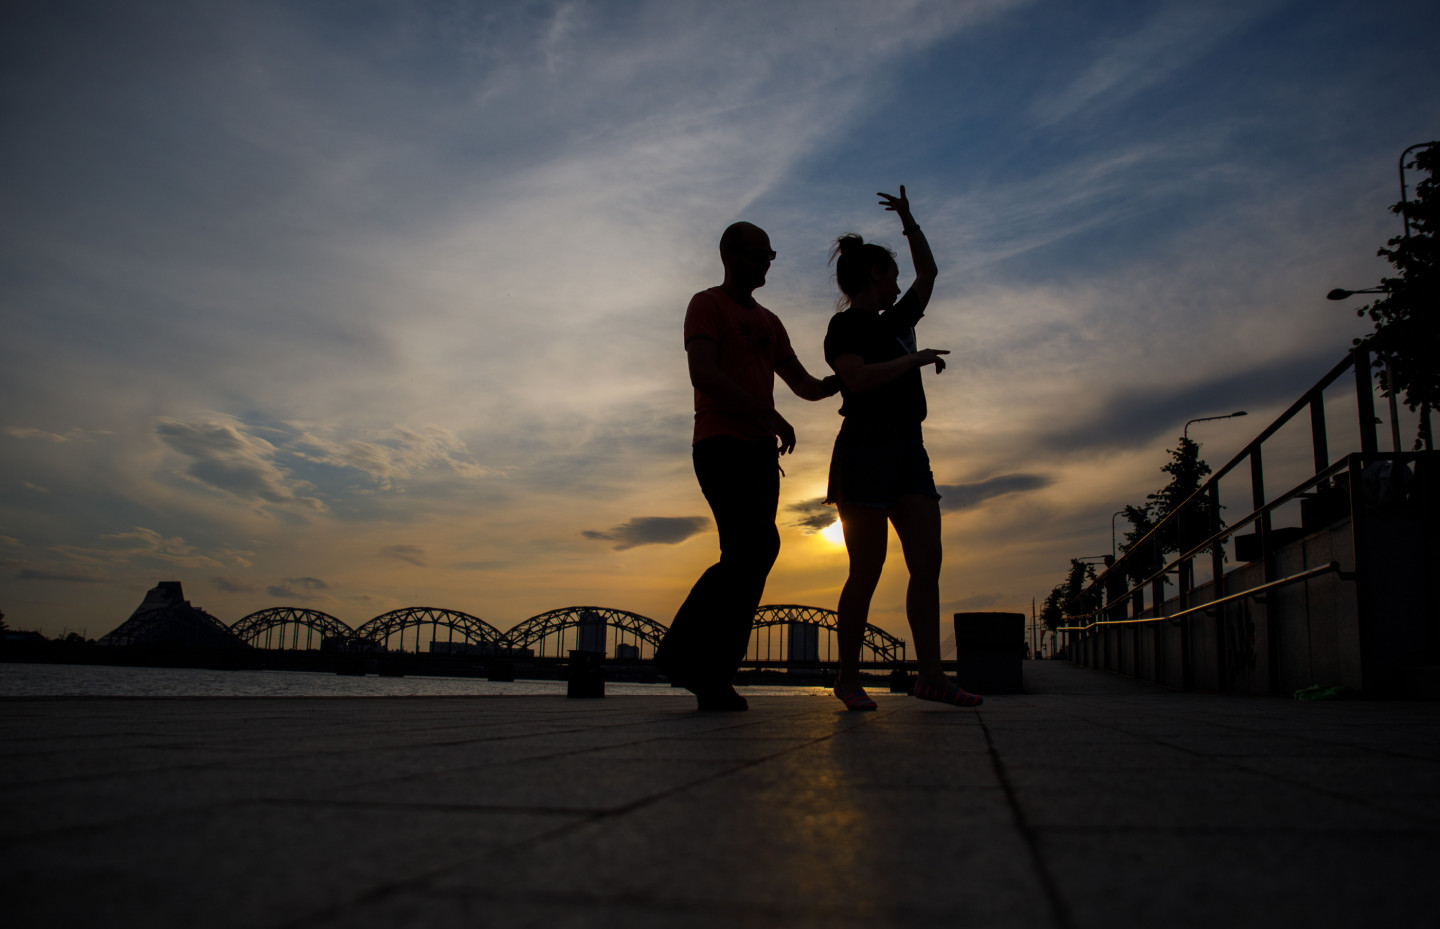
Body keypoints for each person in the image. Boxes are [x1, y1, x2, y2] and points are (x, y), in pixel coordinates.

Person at [656, 221, 839, 711]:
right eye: (760, 255)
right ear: (730, 255)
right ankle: (686, 658)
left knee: (753, 555)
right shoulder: (707, 305)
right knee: (753, 547)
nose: (767, 263)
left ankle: (710, 673)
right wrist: (769, 415)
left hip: (760, 453)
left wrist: (846, 379)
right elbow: (703, 373)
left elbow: (804, 384)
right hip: (720, 443)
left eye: (771, 255)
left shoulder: (770, 322)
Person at [823, 187, 982, 711]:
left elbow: (928, 273)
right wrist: (912, 361)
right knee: (866, 569)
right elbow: (857, 379)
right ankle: (848, 677)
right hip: (864, 451)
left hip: (909, 449)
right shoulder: (845, 326)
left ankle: (931, 677)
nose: (898, 284)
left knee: (927, 561)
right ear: (874, 274)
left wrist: (909, 220)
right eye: (891, 275)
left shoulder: (896, 322)